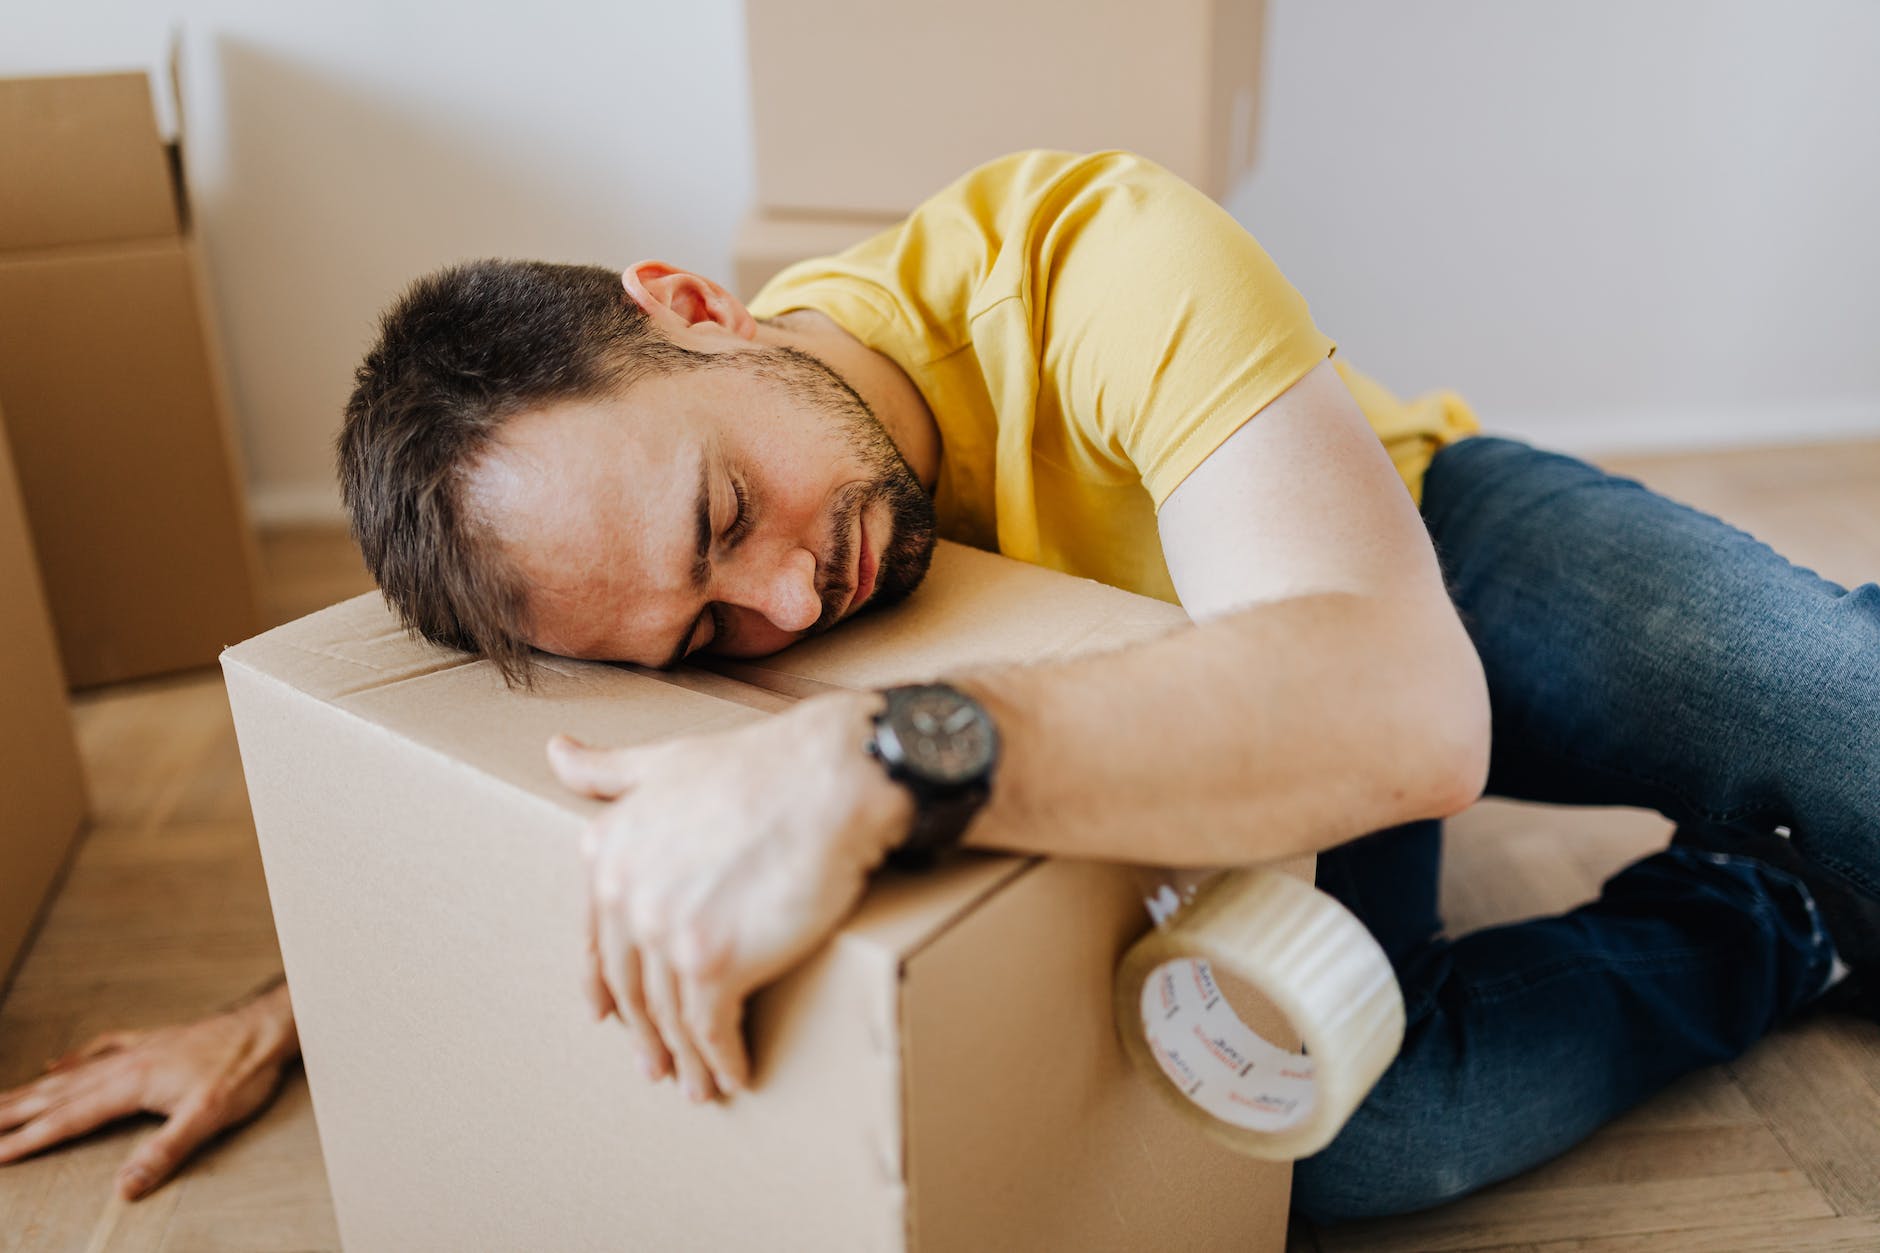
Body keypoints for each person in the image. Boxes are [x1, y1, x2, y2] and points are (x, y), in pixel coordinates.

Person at [3, 149, 1874, 1223]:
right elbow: (539, 796)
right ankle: (1779, 913)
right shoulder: (697, 587)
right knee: (1340, 1143)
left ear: (690, 305)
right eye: (704, 634)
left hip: (1400, 547)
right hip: (1199, 768)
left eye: (728, 508)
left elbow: (1403, 701)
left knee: (1828, 706)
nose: (783, 594)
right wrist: (301, 992)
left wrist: (876, 760)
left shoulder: (1088, 252)